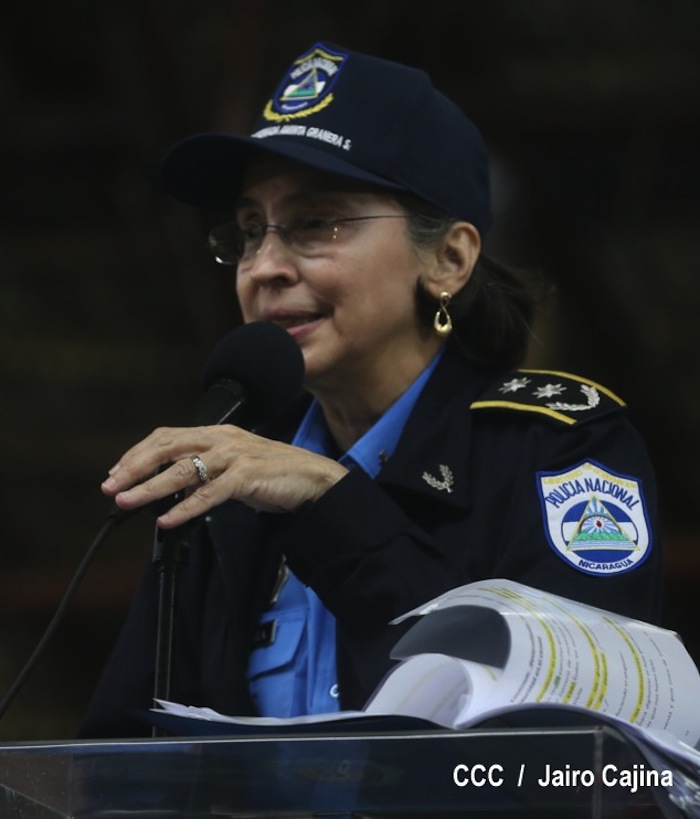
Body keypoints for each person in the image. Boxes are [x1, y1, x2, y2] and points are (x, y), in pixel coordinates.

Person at [79, 42, 662, 738]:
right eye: (249, 230)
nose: (262, 267)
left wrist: (331, 503)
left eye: (315, 223)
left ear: (448, 258)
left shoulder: (559, 449)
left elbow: (565, 735)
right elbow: (115, 753)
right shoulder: (228, 481)